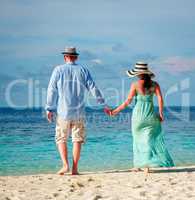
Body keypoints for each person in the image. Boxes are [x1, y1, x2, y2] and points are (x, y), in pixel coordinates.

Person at [105, 62, 174, 173]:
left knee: (137, 140)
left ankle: (138, 165)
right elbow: (160, 99)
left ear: (137, 73)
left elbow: (127, 102)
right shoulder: (155, 84)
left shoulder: (135, 85)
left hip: (138, 116)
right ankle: (147, 164)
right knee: (149, 140)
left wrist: (114, 112)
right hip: (150, 115)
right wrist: (161, 113)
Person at [45, 47, 104, 175]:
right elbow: (93, 87)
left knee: (61, 138)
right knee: (77, 139)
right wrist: (102, 103)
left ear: (65, 57)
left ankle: (65, 165)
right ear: (76, 57)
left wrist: (49, 108)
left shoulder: (58, 70)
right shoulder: (83, 70)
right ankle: (75, 168)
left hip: (63, 112)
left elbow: (52, 90)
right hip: (79, 112)